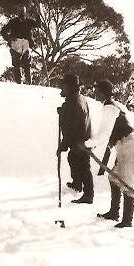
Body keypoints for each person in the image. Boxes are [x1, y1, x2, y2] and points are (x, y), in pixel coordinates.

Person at [85, 79, 134, 228]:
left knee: (127, 182)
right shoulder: (115, 105)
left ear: (102, 92)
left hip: (127, 145)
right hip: (124, 145)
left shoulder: (109, 108)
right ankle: (114, 213)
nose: (95, 93)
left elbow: (104, 134)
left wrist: (86, 144)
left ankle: (127, 220)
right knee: (114, 177)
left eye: (97, 90)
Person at [56, 73, 94, 204]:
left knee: (83, 167)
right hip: (82, 140)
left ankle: (89, 195)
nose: (62, 88)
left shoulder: (74, 103)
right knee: (72, 159)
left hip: (80, 142)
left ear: (70, 87)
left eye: (64, 85)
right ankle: (77, 184)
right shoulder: (78, 99)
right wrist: (63, 111)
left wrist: (63, 145)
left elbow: (71, 128)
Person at [0, 6, 39, 84]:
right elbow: (3, 31)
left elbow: (38, 24)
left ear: (25, 12)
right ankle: (19, 82)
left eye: (23, 11)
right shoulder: (13, 21)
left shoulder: (28, 21)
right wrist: (9, 39)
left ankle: (28, 82)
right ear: (18, 13)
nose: (21, 13)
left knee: (26, 63)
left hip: (25, 43)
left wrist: (37, 14)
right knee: (17, 63)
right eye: (20, 12)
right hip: (16, 43)